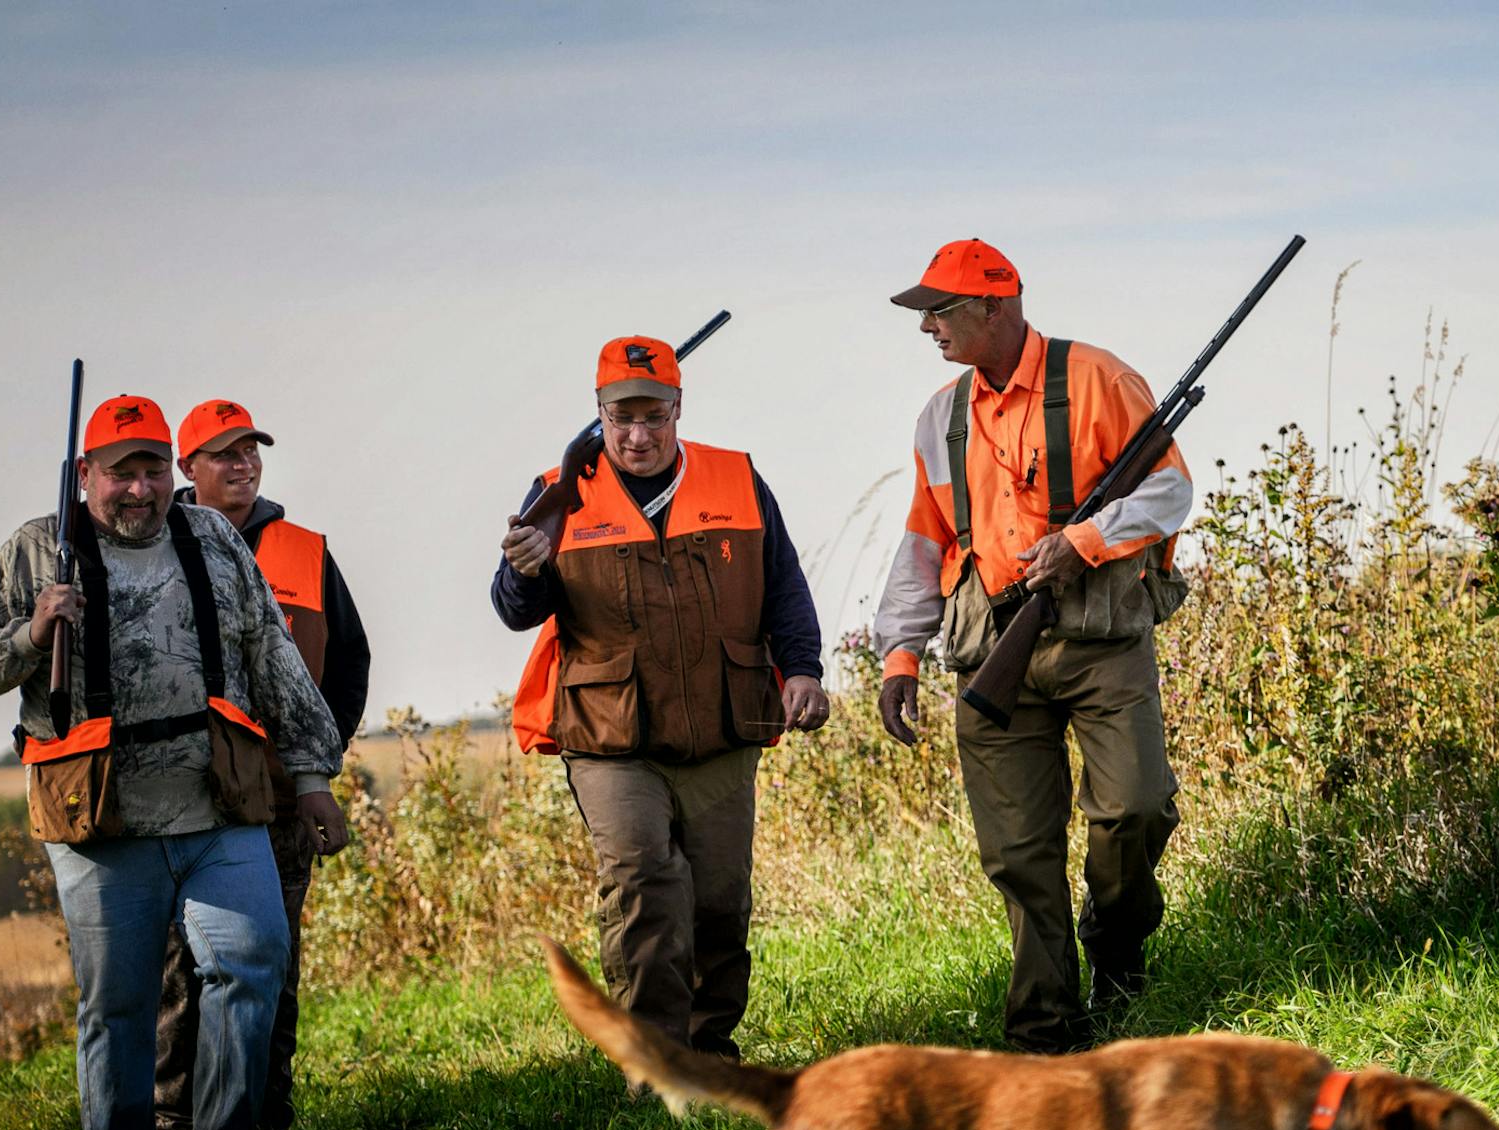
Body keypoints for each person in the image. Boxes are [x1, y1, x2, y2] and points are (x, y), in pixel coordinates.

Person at [0, 394, 348, 1130]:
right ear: (84, 475)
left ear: (174, 470)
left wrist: (312, 775)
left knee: (254, 965)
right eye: (121, 470)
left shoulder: (211, 539)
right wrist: (32, 631)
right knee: (118, 1008)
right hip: (103, 823)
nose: (140, 488)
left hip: (219, 807)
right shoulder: (36, 550)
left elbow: (272, 654)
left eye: (154, 467)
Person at [872, 239, 1191, 1053]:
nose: (929, 329)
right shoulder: (938, 416)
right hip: (992, 652)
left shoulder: (1097, 379)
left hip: (1099, 639)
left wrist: (1084, 539)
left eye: (941, 311)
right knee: (1020, 853)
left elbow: (1169, 490)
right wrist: (900, 655)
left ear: (997, 305)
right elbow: (923, 540)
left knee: (1135, 807)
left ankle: (1117, 944)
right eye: (926, 314)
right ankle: (1046, 1029)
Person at [493, 336, 828, 1058]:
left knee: (719, 899)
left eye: (654, 417)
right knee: (644, 880)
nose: (638, 436)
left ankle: (709, 1053)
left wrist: (803, 669)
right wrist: (523, 568)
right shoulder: (559, 489)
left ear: (679, 409)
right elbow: (515, 609)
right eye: (621, 419)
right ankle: (653, 1060)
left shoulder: (736, 478)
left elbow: (784, 586)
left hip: (722, 725)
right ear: (598, 416)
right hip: (611, 739)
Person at [153, 400, 371, 1130]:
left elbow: (348, 661)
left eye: (250, 451)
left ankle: (267, 1113)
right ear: (188, 469)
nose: (241, 465)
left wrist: (318, 759)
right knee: (182, 969)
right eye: (222, 454)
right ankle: (172, 1126)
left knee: (273, 958)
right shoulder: (155, 545)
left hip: (281, 799)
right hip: (185, 799)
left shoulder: (305, 549)